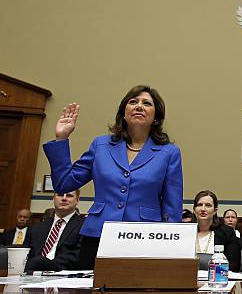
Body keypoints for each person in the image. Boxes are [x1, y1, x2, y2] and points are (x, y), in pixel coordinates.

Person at [42, 85, 184, 269]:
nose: (139, 106)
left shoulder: (169, 153)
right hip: (97, 235)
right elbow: (64, 184)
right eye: (133, 102)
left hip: (145, 237)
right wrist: (61, 139)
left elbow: (172, 206)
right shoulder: (101, 145)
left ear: (155, 117)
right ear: (124, 113)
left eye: (147, 103)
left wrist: (171, 247)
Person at [25, 190, 84, 271]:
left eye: (69, 195)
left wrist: (46, 264)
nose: (64, 198)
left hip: (64, 275)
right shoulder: (37, 228)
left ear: (77, 200)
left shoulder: (84, 226)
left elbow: (78, 257)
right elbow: (26, 254)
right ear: (53, 199)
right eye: (60, 195)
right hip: (32, 273)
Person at [193, 190, 241, 272]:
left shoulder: (227, 232)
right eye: (200, 205)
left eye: (208, 205)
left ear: (215, 211)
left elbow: (234, 266)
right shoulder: (185, 232)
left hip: (217, 280)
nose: (203, 209)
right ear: (194, 210)